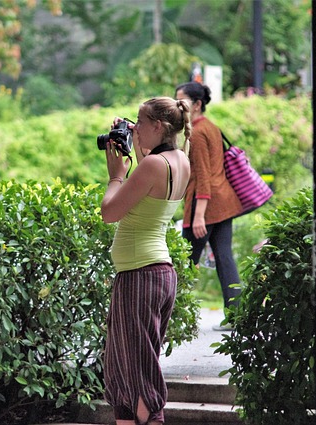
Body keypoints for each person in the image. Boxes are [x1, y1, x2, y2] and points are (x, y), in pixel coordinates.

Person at [101, 97, 191, 425]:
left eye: (140, 123)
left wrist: (115, 175)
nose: (135, 128)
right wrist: (132, 144)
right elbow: (147, 169)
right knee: (126, 370)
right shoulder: (179, 159)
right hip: (154, 275)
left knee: (138, 377)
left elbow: (110, 212)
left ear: (158, 126)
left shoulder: (154, 166)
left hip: (140, 275)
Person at [174, 81, 243, 326]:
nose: (177, 105)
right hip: (223, 201)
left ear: (197, 105)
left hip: (206, 206)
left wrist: (199, 215)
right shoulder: (211, 127)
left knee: (182, 261)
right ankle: (236, 315)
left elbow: (202, 175)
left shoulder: (199, 132)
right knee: (224, 256)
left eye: (182, 101)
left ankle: (170, 315)